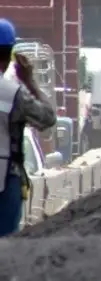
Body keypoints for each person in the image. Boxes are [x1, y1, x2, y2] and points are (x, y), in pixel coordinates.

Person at [0, 18, 57, 236]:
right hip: (6, 181)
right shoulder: (13, 93)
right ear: (10, 55)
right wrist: (30, 81)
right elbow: (48, 118)